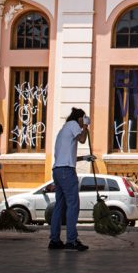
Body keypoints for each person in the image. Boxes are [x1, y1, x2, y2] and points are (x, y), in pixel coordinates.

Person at [48, 107, 95, 251]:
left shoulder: (63, 130)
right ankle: (71, 240)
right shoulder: (74, 124)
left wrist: (84, 158)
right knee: (73, 204)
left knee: (59, 206)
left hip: (57, 170)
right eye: (82, 120)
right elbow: (82, 139)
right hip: (67, 172)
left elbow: (67, 156)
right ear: (80, 118)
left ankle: (54, 240)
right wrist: (86, 126)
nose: (82, 124)